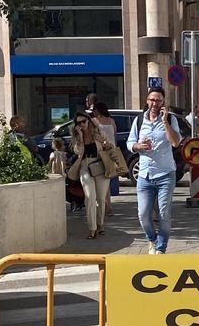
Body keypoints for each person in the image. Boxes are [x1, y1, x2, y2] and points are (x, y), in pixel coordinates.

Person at [128, 87, 182, 254]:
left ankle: (161, 247)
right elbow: (130, 143)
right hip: (144, 174)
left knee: (164, 212)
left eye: (158, 100)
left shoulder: (171, 119)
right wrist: (137, 146)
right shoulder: (139, 120)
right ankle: (152, 238)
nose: (154, 103)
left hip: (165, 173)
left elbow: (175, 142)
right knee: (143, 214)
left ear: (163, 102)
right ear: (147, 100)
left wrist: (165, 121)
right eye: (152, 100)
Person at [67, 112, 116, 239]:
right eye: (78, 123)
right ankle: (92, 228)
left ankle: (100, 224)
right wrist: (81, 138)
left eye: (84, 121)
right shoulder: (77, 136)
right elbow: (78, 152)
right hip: (85, 167)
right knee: (89, 197)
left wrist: (104, 142)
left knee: (100, 198)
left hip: (100, 165)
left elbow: (111, 146)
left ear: (89, 121)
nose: (81, 124)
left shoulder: (99, 132)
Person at [92, 102, 121, 208]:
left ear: (97, 110)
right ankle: (108, 203)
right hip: (112, 151)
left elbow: (94, 136)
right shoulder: (111, 121)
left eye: (94, 110)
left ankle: (106, 204)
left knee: (102, 179)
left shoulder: (94, 121)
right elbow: (115, 135)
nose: (93, 112)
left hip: (101, 152)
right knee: (108, 178)